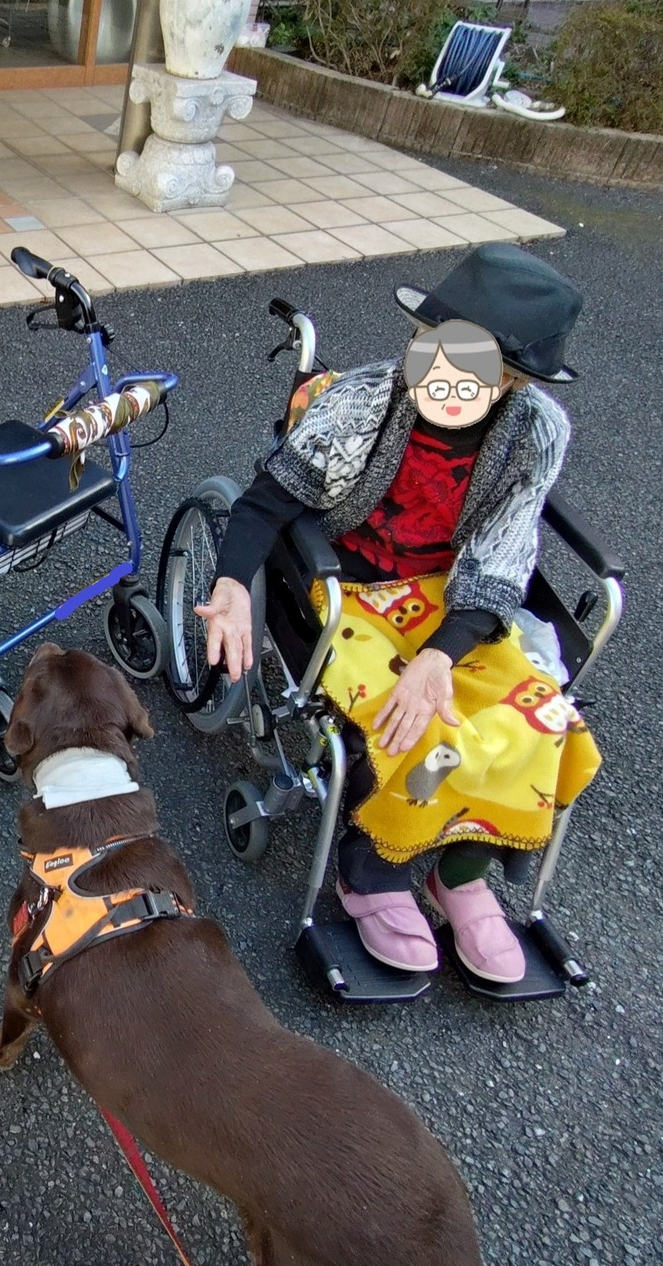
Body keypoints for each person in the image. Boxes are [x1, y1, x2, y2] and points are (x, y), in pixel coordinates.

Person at [200, 243, 601, 984]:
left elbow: (505, 550)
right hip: (344, 588)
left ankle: (462, 871)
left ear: (513, 381)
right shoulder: (364, 398)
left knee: (540, 716)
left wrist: (441, 655)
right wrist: (230, 582)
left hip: (452, 599)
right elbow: (268, 498)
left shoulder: (538, 430)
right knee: (410, 722)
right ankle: (374, 872)